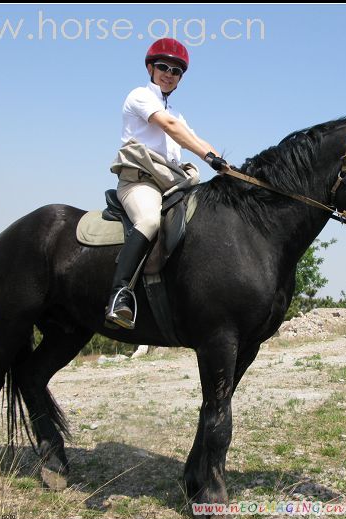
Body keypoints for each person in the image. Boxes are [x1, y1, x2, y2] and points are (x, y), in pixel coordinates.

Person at [105, 37, 228, 329]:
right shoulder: (139, 96)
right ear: (150, 67)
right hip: (139, 181)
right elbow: (171, 129)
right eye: (163, 67)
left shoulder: (177, 113)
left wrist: (228, 167)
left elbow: (195, 140)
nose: (169, 74)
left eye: (176, 71)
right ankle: (119, 294)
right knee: (148, 221)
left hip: (171, 184)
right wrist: (210, 158)